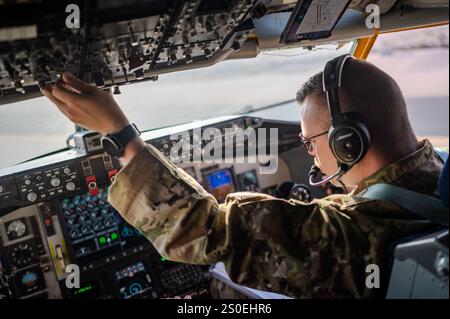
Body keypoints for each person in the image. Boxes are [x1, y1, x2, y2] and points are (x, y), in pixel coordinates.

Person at [39, 56, 444, 298]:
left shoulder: (351, 236)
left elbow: (206, 231)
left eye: (309, 142)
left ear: (348, 143)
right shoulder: (439, 172)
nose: (311, 154)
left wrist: (121, 135)